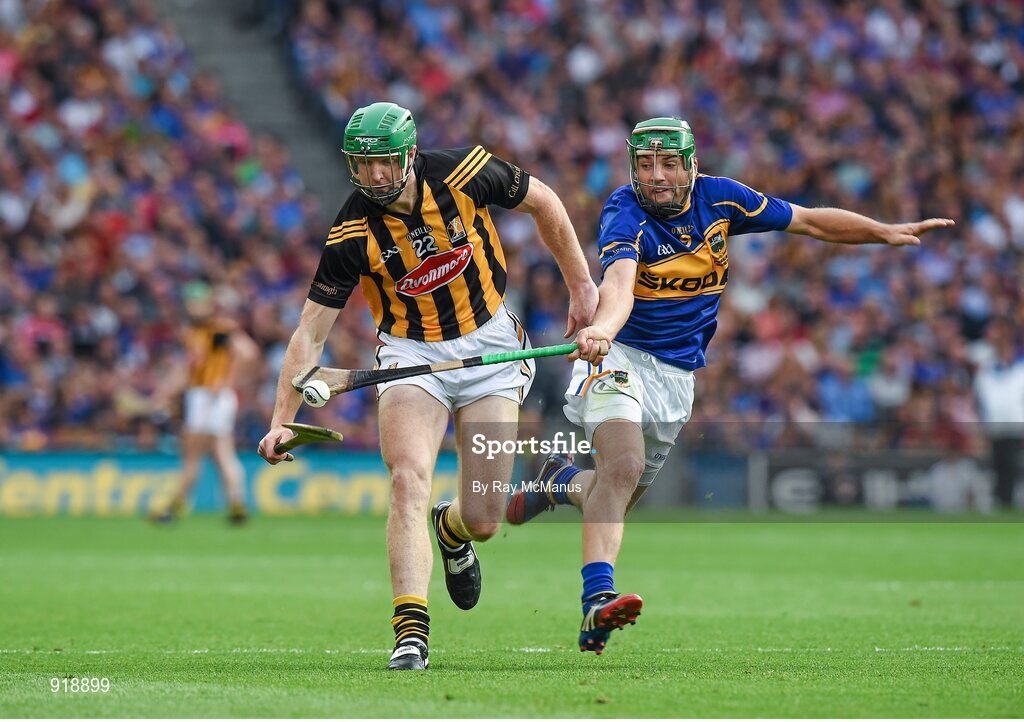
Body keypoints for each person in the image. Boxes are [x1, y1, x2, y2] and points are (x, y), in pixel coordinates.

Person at [506, 117, 955, 654]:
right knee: (621, 468)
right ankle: (596, 602)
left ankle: (558, 483)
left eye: (669, 163)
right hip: (619, 352)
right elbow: (619, 283)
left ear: (692, 165)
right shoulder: (623, 210)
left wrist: (880, 232)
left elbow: (810, 222)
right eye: (646, 164)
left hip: (676, 376)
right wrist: (602, 328)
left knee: (615, 493)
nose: (658, 176)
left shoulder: (722, 200)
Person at [257, 102, 597, 671]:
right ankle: (410, 632)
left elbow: (545, 202)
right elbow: (309, 335)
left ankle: (451, 526)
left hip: (492, 346)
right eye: (362, 167)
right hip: (410, 356)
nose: (374, 178)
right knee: (407, 476)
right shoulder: (351, 232)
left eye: (385, 164)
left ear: (410, 156)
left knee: (485, 519)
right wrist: (280, 418)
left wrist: (581, 284)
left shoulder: (463, 172)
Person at [151, 282, 260, 525]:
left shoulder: (217, 329)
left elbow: (248, 353)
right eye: (190, 302)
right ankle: (236, 504)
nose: (192, 306)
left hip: (207, 397)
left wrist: (226, 381)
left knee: (192, 453)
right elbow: (189, 369)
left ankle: (176, 506)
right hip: (207, 395)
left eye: (196, 301)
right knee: (222, 452)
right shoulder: (194, 332)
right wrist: (166, 391)